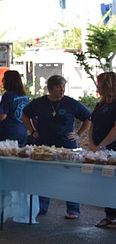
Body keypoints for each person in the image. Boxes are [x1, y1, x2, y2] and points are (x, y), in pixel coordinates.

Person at [22, 74, 91, 219]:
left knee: (70, 176)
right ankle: (41, 206)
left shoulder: (71, 103)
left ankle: (73, 209)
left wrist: (78, 134)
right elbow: (25, 114)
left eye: (63, 87)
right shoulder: (39, 103)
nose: (62, 90)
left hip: (67, 145)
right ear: (51, 88)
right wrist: (32, 131)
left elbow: (88, 118)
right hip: (44, 144)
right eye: (59, 87)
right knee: (43, 175)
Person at [85, 71, 116, 229]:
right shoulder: (101, 103)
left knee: (113, 182)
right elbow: (92, 123)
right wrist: (92, 143)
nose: (98, 86)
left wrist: (102, 145)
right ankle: (109, 215)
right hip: (99, 149)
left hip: (111, 149)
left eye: (100, 83)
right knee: (105, 182)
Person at [0, 70, 29, 146]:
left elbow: (2, 116)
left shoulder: (8, 95)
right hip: (23, 130)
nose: (2, 81)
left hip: (9, 132)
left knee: (6, 155)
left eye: (4, 79)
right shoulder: (25, 95)